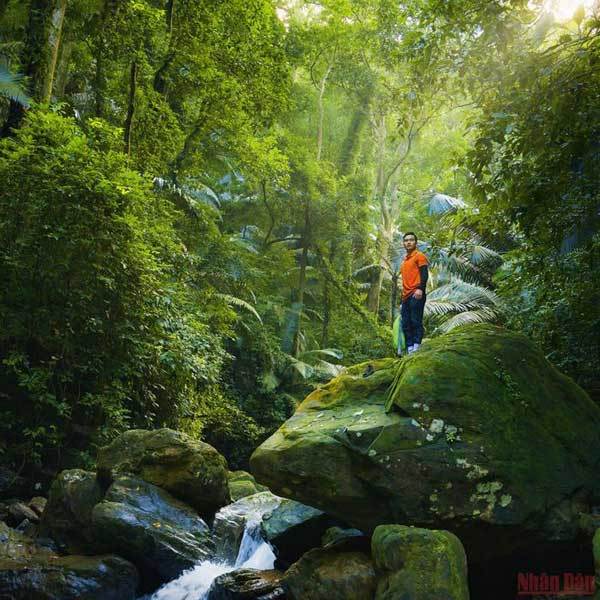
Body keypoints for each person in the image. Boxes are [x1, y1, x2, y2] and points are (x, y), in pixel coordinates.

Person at [400, 232, 429, 354]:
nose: (408, 242)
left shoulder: (419, 256)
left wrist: (420, 289)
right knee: (406, 322)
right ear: (403, 243)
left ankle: (417, 346)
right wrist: (401, 300)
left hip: (416, 293)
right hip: (406, 296)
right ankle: (410, 348)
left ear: (416, 242)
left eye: (411, 240)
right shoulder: (405, 261)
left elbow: (424, 273)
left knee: (415, 320)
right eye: (406, 240)